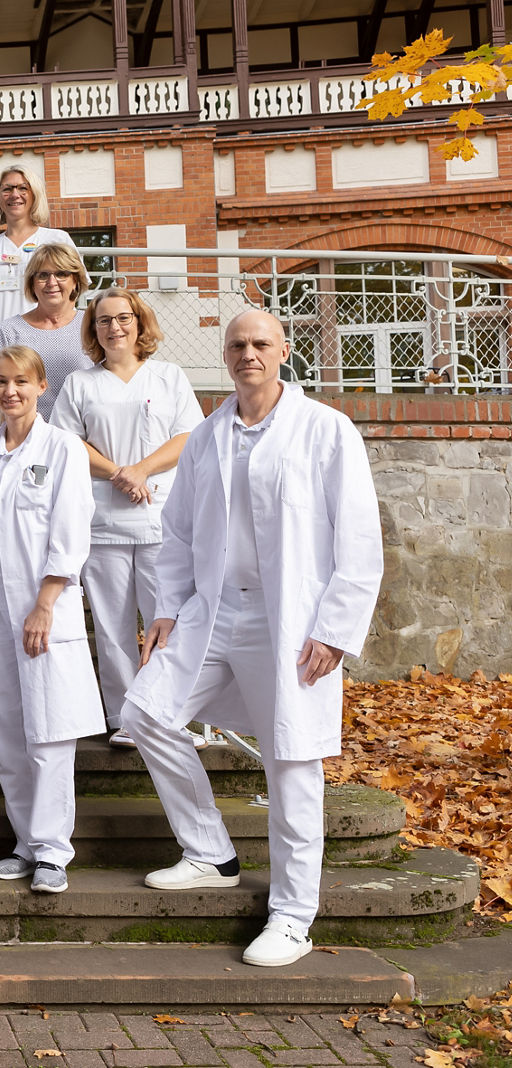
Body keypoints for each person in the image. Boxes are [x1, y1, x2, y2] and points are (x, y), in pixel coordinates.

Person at [122, 310, 382, 968]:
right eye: (237, 344)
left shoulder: (325, 431)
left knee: (292, 761)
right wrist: (168, 611)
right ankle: (210, 851)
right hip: (213, 614)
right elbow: (177, 535)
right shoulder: (208, 436)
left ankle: (293, 916)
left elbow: (359, 543)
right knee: (144, 712)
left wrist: (335, 630)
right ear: (226, 354)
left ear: (284, 350)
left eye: (260, 342)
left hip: (289, 621)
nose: (248, 353)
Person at [0, 345, 103, 895]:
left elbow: (71, 530)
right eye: (1, 382)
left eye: (20, 382)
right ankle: (25, 842)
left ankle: (54, 851)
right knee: (7, 734)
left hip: (42, 605)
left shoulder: (62, 449)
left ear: (41, 387)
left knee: (49, 731)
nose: (9, 391)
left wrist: (46, 602)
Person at [53, 288, 204, 747]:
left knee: (169, 619)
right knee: (113, 627)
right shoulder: (81, 384)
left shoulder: (169, 377)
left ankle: (170, 712)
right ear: (93, 329)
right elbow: (66, 442)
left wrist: (141, 470)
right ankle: (126, 717)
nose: (114, 327)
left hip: (162, 518)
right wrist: (118, 472)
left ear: (140, 323)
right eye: (104, 321)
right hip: (103, 522)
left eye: (123, 318)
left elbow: (188, 436)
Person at [0, 243, 92, 436]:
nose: (52, 282)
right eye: (43, 275)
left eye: (61, 274)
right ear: (31, 282)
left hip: (85, 443)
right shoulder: (10, 331)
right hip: (26, 442)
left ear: (75, 281)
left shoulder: (93, 326)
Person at [0, 166, 72, 358]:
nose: (14, 194)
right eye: (7, 189)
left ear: (34, 194)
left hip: (50, 349)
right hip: (1, 354)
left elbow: (72, 296)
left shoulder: (57, 240)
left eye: (22, 188)